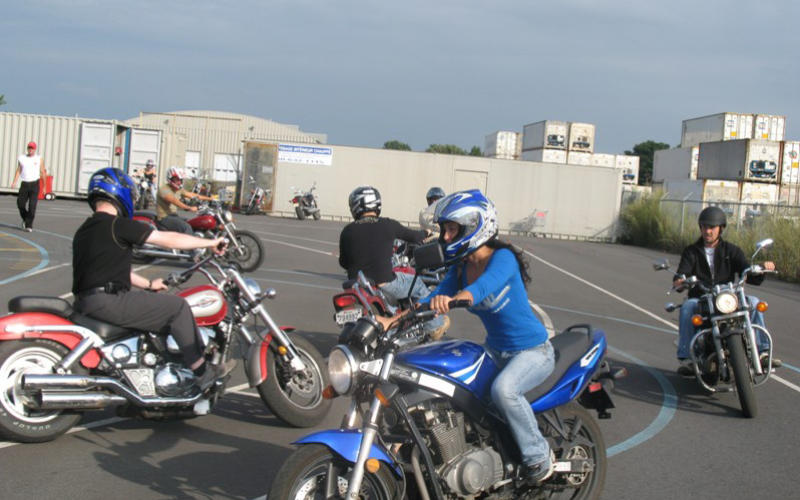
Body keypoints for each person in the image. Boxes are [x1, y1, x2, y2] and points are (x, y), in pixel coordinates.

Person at [419, 189, 555, 484]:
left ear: (474, 226)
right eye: (444, 230)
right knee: (458, 389)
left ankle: (538, 456)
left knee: (504, 391)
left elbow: (483, 288)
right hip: (496, 350)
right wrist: (391, 319)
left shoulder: (502, 258)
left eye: (452, 229)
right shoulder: (461, 267)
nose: (444, 237)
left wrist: (461, 297)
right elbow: (434, 296)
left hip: (533, 351)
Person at [72, 167, 234, 391]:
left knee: (153, 307)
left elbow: (111, 270)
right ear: (122, 192)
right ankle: (202, 371)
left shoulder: (85, 230)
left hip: (88, 301)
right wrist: (210, 243)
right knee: (177, 308)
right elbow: (168, 239)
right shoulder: (117, 225)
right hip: (108, 301)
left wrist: (149, 284)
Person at [673, 206, 780, 375]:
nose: (707, 231)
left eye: (712, 227)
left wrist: (761, 269)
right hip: (702, 297)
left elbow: (747, 272)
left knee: (754, 302)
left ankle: (762, 352)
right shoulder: (691, 252)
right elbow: (681, 274)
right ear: (700, 228)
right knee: (687, 307)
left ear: (720, 228)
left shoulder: (732, 250)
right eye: (704, 227)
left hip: (727, 297)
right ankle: (687, 358)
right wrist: (680, 281)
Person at [339, 185, 447, 337]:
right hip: (385, 283)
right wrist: (427, 232)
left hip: (357, 286)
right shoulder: (387, 225)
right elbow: (415, 237)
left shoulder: (347, 231)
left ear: (355, 207)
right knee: (418, 284)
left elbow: (343, 262)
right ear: (377, 204)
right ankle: (435, 326)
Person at [155, 166, 214, 234]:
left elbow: (192, 195)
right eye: (177, 179)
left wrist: (211, 199)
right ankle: (189, 244)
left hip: (174, 215)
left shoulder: (179, 190)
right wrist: (189, 208)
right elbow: (174, 201)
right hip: (164, 217)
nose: (179, 182)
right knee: (186, 227)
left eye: (180, 180)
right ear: (170, 178)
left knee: (193, 223)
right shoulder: (164, 189)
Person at [11, 141, 47, 232]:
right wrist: (14, 182)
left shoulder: (39, 159)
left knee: (32, 206)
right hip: (24, 184)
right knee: (20, 204)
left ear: (35, 149)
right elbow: (19, 170)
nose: (30, 150)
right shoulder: (22, 158)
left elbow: (43, 172)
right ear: (27, 148)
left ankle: (29, 225)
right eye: (29, 148)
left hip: (35, 184)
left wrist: (44, 187)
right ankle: (26, 219)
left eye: (32, 148)